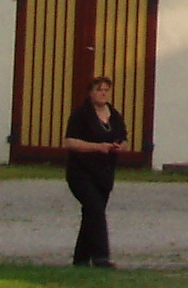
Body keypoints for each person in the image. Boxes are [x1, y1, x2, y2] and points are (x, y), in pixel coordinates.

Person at [63, 73, 128, 268]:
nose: (103, 94)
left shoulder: (114, 116)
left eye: (106, 90)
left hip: (104, 173)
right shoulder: (81, 114)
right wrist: (96, 147)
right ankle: (101, 257)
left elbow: (124, 139)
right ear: (90, 93)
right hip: (81, 172)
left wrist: (120, 147)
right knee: (96, 210)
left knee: (91, 213)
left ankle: (81, 258)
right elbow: (70, 142)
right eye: (98, 90)